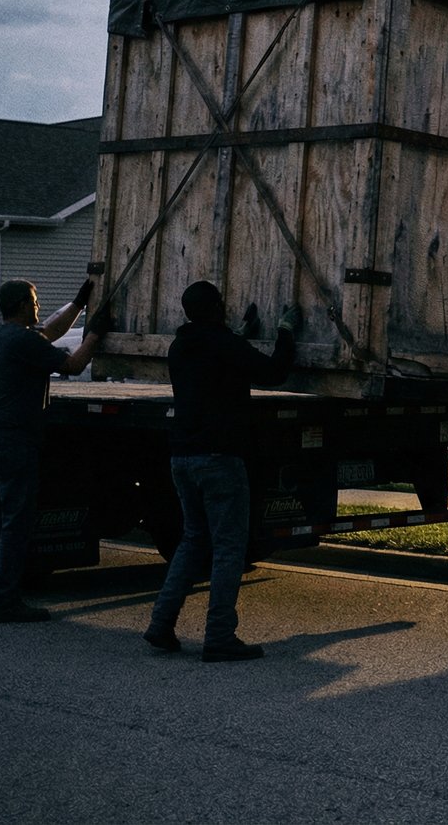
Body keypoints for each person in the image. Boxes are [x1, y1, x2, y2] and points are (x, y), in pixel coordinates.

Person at [144, 281, 299, 662]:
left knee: (193, 540)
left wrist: (241, 335)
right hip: (220, 460)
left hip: (182, 457)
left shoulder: (180, 347)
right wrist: (285, 330)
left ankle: (161, 625)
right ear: (217, 307)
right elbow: (273, 371)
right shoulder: (225, 346)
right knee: (229, 547)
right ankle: (219, 636)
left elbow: (218, 362)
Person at [0, 277, 109, 622]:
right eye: (35, 301)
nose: (38, 307)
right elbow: (73, 365)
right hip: (13, 444)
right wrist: (95, 333)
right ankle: (4, 601)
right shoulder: (23, 341)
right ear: (23, 304)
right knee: (16, 524)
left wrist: (79, 304)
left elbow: (49, 332)